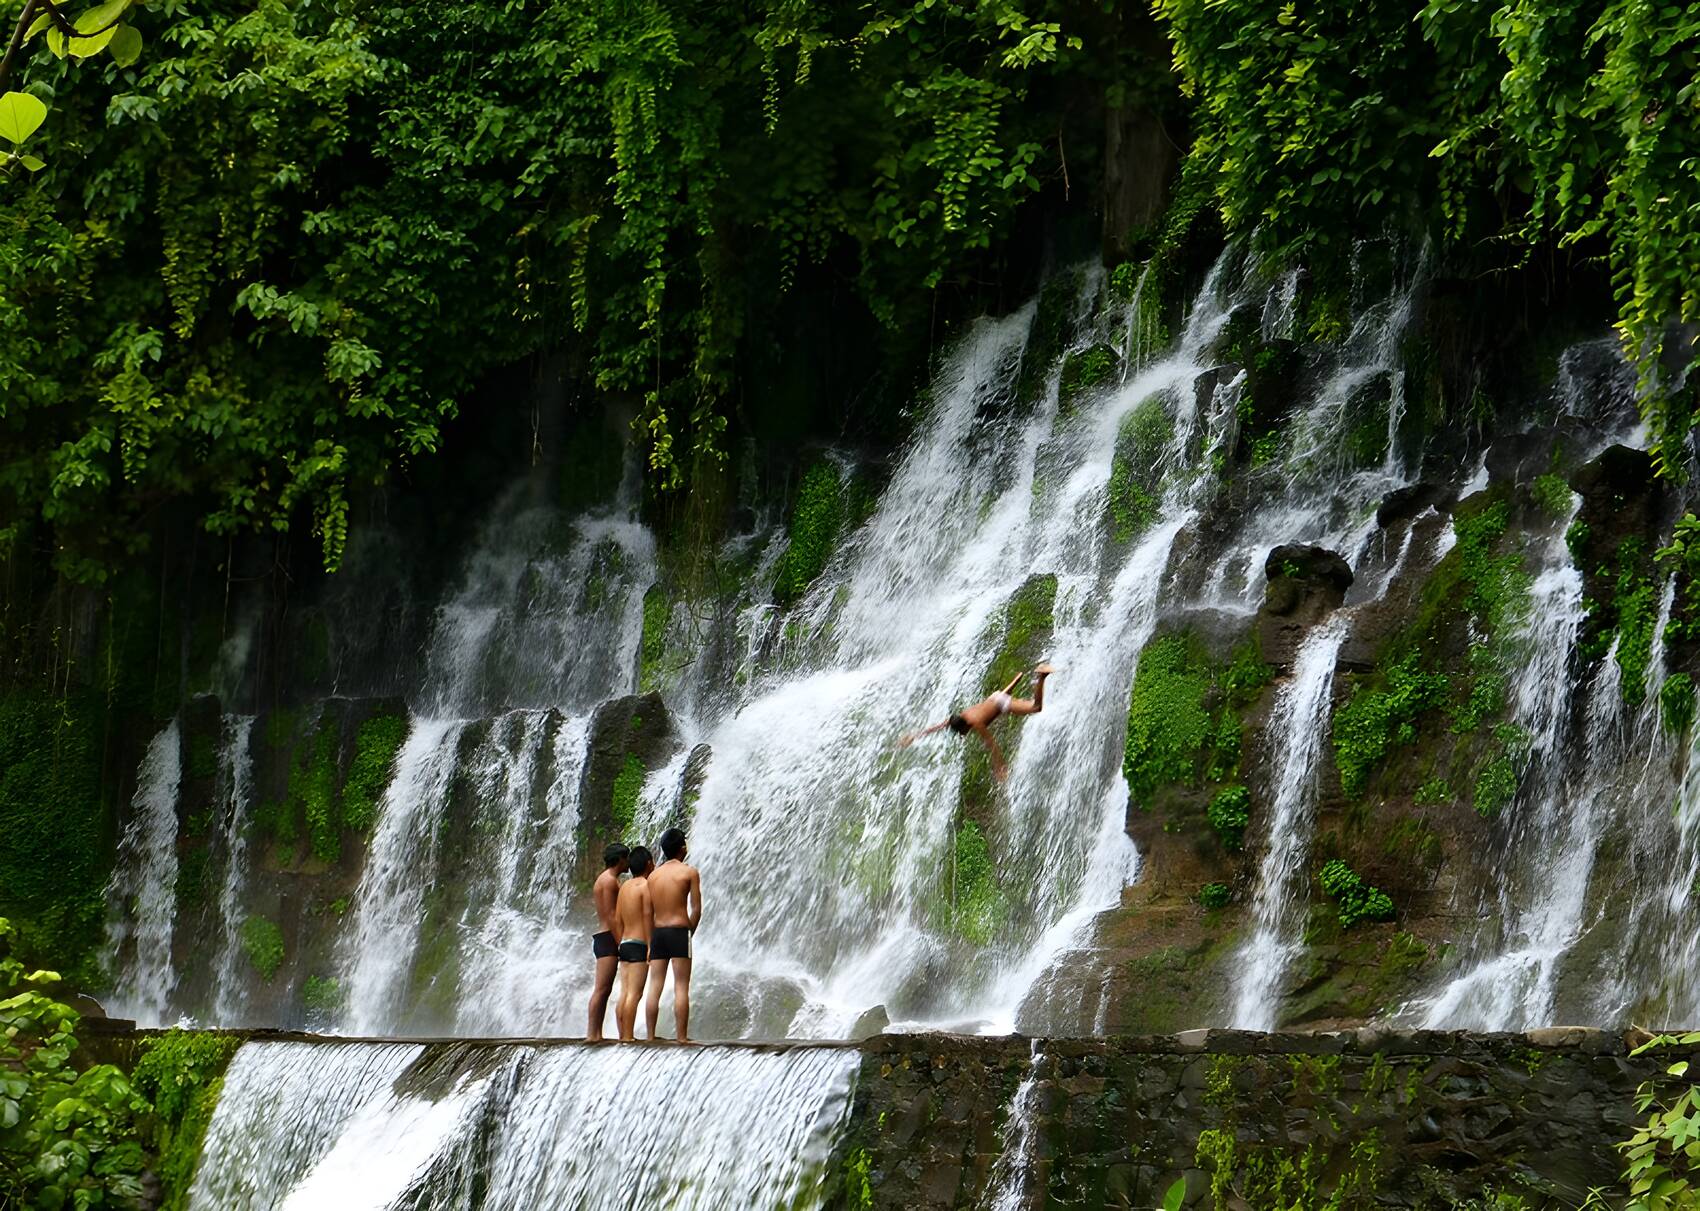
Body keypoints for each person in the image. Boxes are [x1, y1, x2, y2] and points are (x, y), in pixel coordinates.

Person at [897, 664, 1054, 782]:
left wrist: (1000, 766)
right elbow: (936, 727)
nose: (963, 734)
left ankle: (1042, 675)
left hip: (1000, 702)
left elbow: (991, 744)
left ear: (965, 726)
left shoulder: (976, 722)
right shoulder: (958, 717)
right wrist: (913, 736)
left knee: (1036, 707)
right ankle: (1026, 678)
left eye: (962, 732)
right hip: (995, 697)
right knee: (1003, 700)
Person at [645, 827, 703, 1043]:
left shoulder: (653, 876)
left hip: (658, 933)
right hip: (679, 931)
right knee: (681, 986)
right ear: (682, 848)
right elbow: (696, 909)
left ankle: (650, 1036)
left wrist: (650, 941)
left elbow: (649, 912)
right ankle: (681, 1037)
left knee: (655, 987)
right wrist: (689, 933)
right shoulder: (689, 873)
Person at [586, 843, 629, 1042]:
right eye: (626, 858)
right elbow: (612, 916)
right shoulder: (610, 881)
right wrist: (621, 942)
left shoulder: (603, 879)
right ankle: (592, 1034)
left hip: (604, 937)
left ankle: (596, 1033)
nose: (628, 863)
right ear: (620, 859)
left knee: (603, 989)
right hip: (608, 938)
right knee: (602, 989)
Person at [613, 846, 655, 1042]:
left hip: (625, 943)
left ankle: (622, 1034)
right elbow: (647, 916)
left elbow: (617, 919)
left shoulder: (624, 887)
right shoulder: (645, 886)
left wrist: (620, 942)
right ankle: (628, 1037)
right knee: (634, 994)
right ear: (648, 863)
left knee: (624, 992)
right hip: (639, 944)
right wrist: (650, 945)